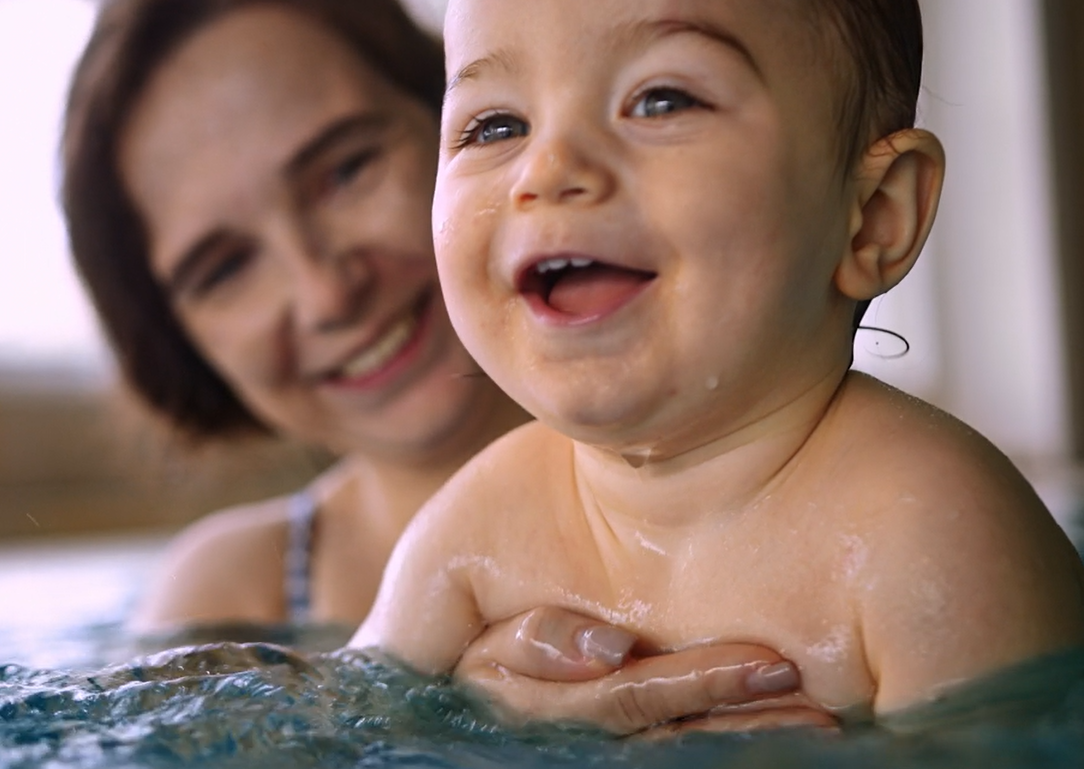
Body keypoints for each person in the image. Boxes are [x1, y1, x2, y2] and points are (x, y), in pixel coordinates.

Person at [61, 0, 832, 736]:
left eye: (346, 170)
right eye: (224, 267)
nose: (327, 291)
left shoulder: (811, 494)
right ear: (180, 343)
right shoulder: (228, 591)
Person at [351, 0, 1084, 726]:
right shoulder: (475, 529)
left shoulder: (929, 535)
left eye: (661, 100)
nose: (546, 169)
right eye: (497, 126)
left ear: (874, 215)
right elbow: (335, 725)